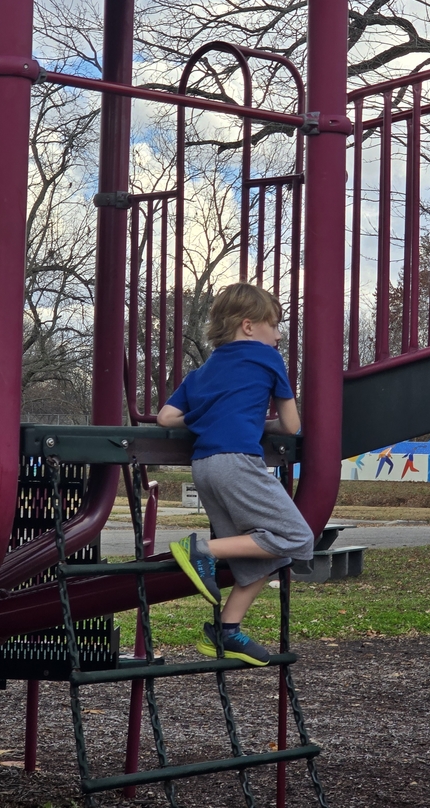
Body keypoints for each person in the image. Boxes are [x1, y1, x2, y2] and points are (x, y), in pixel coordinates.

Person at [157, 282, 314, 666]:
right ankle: (200, 549)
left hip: (205, 468)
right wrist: (264, 424)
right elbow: (291, 425)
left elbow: (166, 417)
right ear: (248, 326)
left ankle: (225, 631)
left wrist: (210, 417)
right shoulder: (267, 359)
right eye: (274, 325)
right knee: (297, 537)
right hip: (237, 463)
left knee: (261, 555)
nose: (278, 335)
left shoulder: (203, 371)